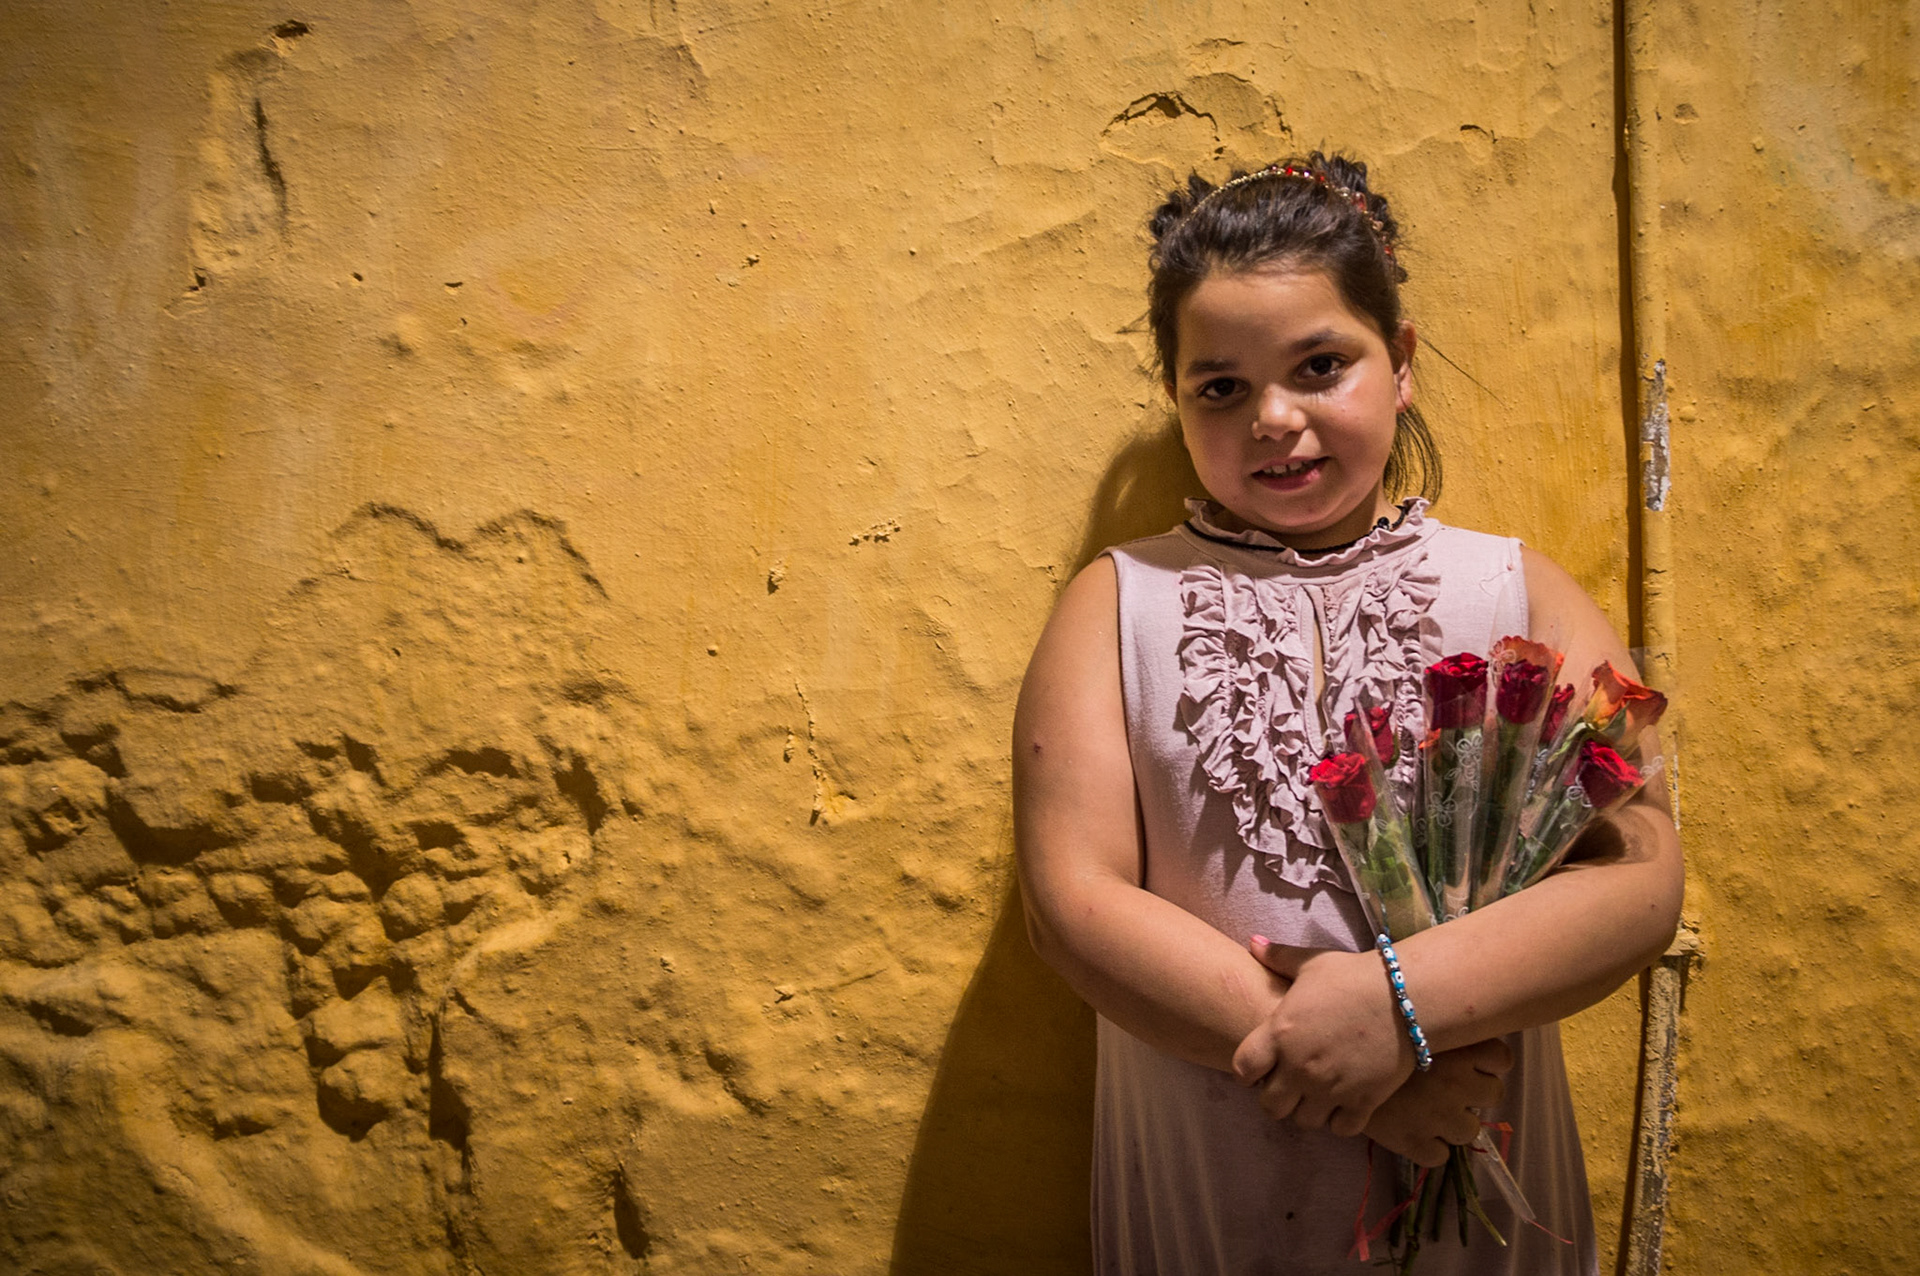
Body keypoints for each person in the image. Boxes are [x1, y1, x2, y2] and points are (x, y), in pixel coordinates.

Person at [1012, 153, 1683, 1275]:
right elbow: (1071, 902)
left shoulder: (1516, 592)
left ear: (1401, 361)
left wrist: (1397, 1008)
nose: (1274, 418)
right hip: (1214, 1176)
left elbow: (1641, 879)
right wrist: (1355, 1069)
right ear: (1177, 398)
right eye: (1220, 387)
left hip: (1477, 1182)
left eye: (1321, 366)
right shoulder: (1116, 606)